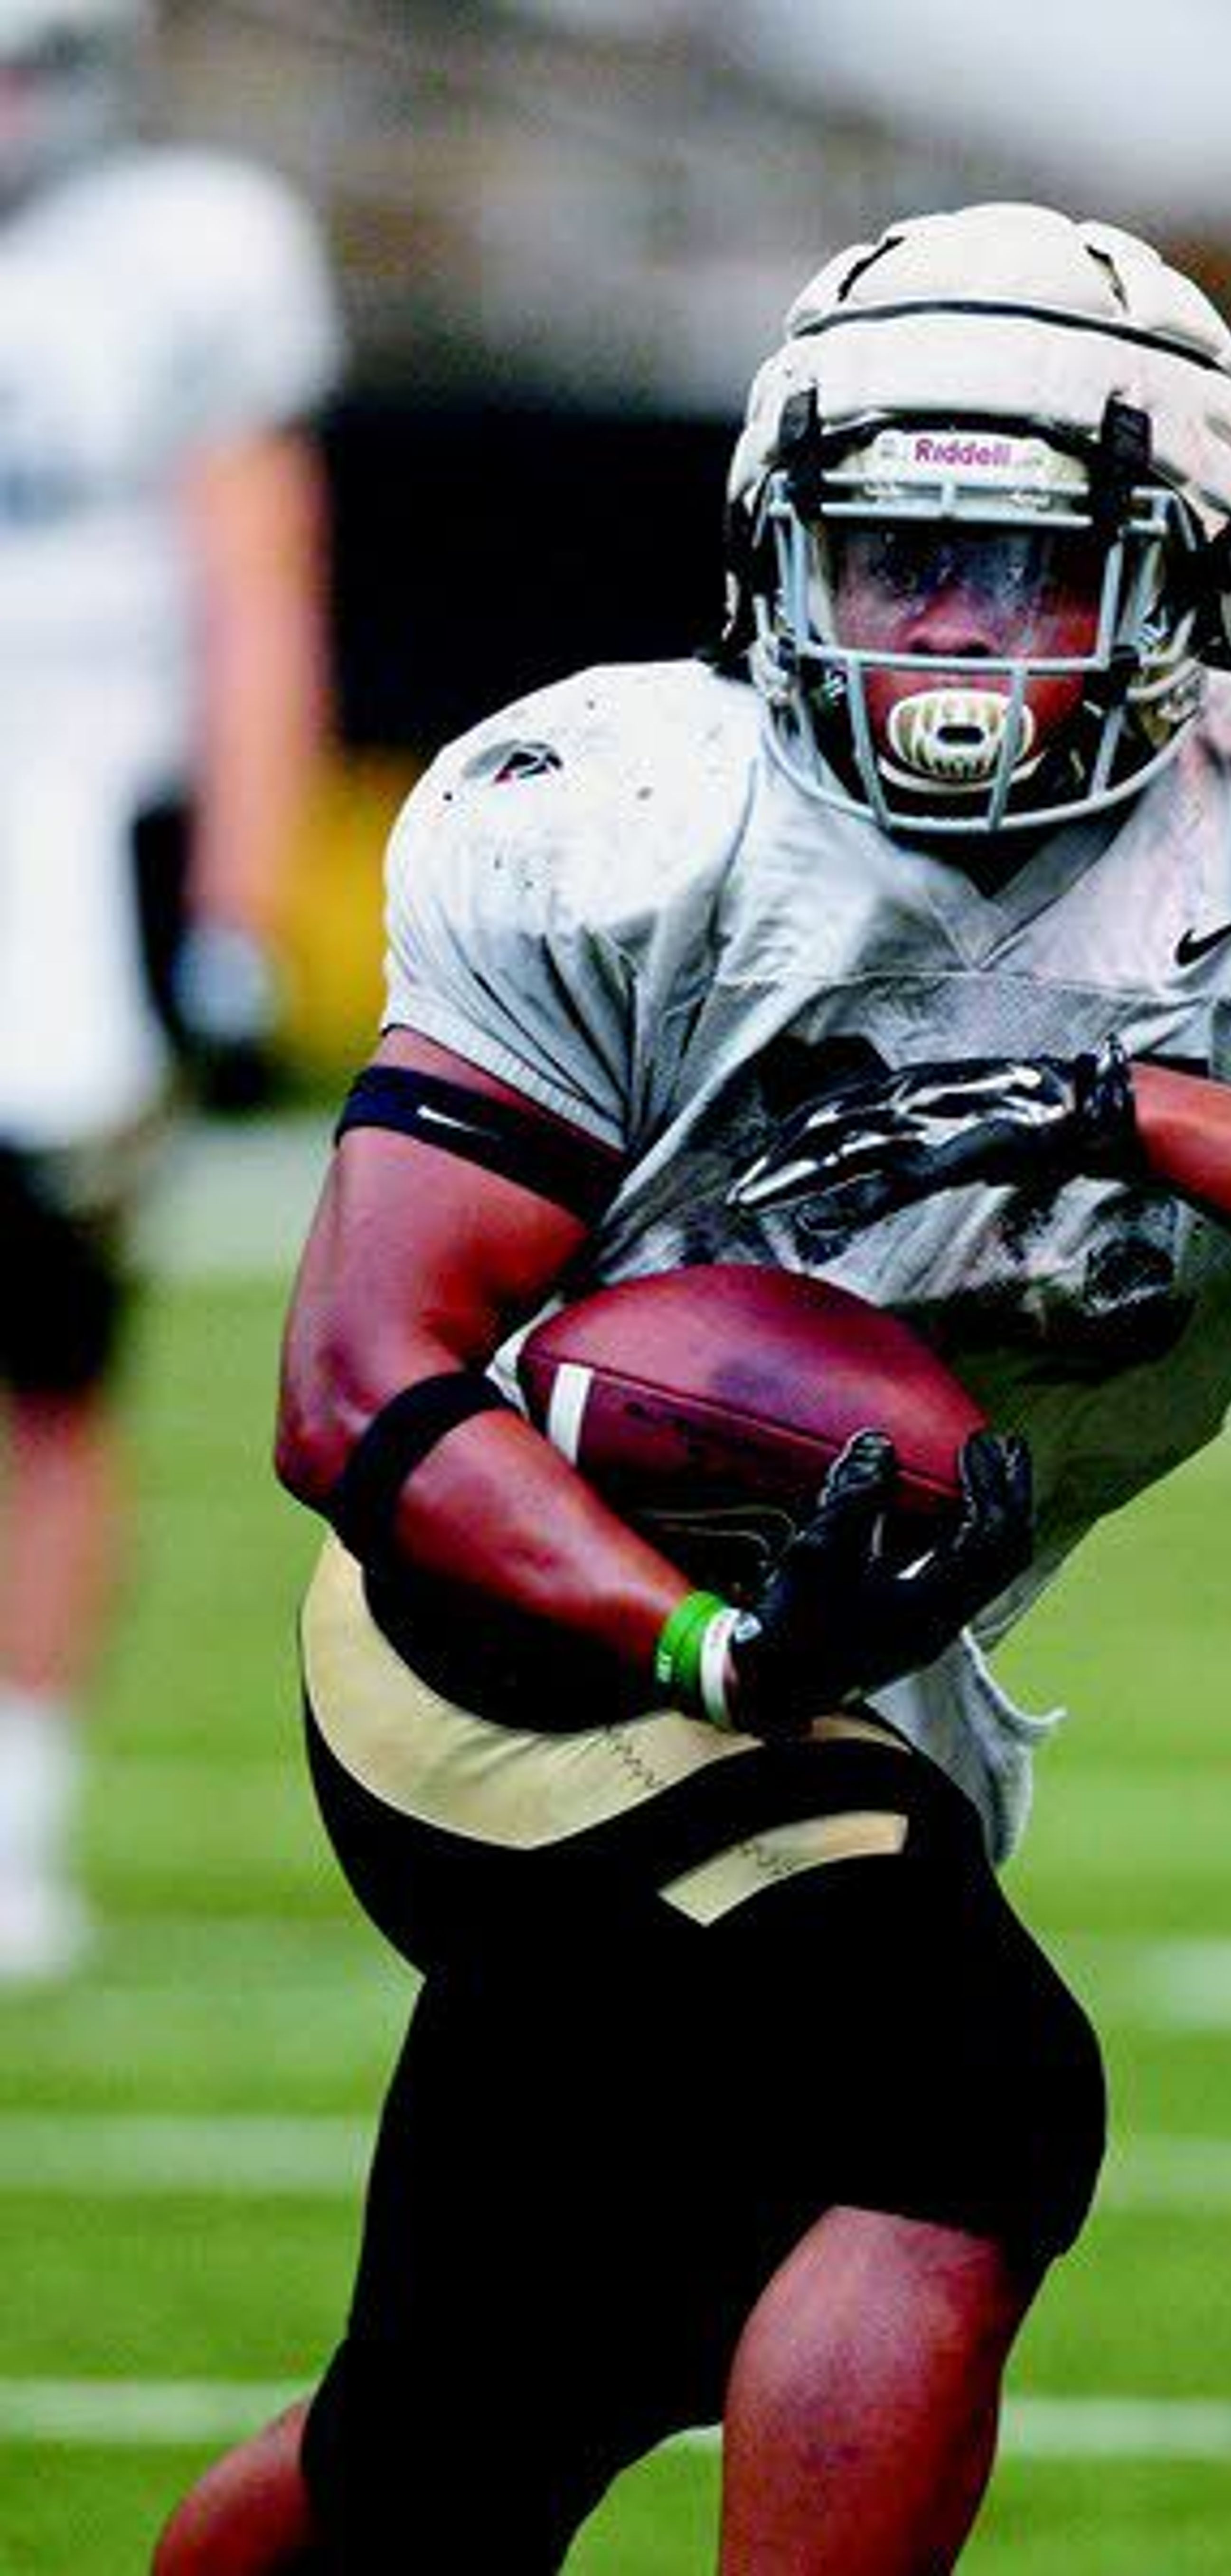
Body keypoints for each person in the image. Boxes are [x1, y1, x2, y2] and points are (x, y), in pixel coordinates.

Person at [152, 202, 1231, 2573]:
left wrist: (1121, 1101)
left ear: (1190, 577)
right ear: (776, 553)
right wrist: (706, 1644)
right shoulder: (624, 819)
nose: (942, 628)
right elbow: (357, 1387)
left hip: (860, 1673)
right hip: (519, 1628)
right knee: (974, 2103)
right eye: (889, 552)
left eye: (1016, 563)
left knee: (482, 2423)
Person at [0, 0, 340, 1978]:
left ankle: (17, 1812)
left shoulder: (183, 253)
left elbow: (253, 584)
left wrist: (230, 905)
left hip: (65, 870)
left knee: (48, 1374)